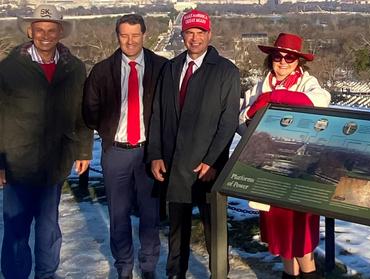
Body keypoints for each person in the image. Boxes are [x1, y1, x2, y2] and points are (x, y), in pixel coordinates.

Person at [0, 4, 93, 279]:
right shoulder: (9, 68)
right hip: (18, 162)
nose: (45, 35)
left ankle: (46, 273)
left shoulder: (74, 68)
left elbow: (81, 111)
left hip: (55, 160)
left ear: (60, 32)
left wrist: (84, 150)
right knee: (16, 229)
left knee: (49, 227)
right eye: (39, 30)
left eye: (51, 30)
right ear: (30, 31)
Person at [147, 9, 240, 278]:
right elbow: (158, 115)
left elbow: (228, 122)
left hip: (207, 169)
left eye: (200, 33)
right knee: (177, 233)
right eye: (190, 32)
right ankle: (176, 274)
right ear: (182, 35)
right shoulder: (171, 68)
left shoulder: (225, 71)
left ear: (209, 34)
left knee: (214, 232)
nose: (195, 38)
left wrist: (211, 160)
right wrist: (155, 154)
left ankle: (218, 274)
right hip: (174, 166)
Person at [239, 32, 331, 279]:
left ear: (298, 62)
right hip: (269, 169)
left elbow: (319, 102)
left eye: (289, 59)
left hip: (299, 171)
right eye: (277, 57)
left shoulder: (307, 82)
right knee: (280, 235)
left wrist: (273, 98)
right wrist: (254, 111)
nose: (282, 63)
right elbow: (242, 118)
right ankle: (289, 274)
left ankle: (309, 274)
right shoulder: (260, 84)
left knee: (300, 234)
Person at [82, 14, 167, 279]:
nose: (130, 41)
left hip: (148, 152)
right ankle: (124, 267)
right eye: (124, 35)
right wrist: (108, 130)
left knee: (150, 215)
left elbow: (169, 111)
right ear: (117, 36)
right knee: (118, 215)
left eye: (135, 35)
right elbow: (89, 110)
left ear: (144, 34)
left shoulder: (161, 67)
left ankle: (149, 266)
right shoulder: (102, 70)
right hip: (115, 151)